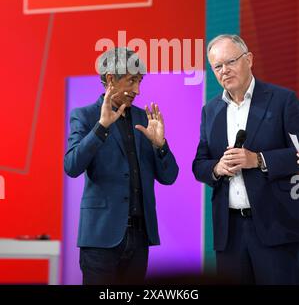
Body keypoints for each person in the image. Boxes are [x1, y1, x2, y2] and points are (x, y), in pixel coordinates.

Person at [64, 47, 178, 285]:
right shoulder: (84, 116)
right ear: (110, 79)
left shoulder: (144, 118)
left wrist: (160, 145)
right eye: (131, 81)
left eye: (140, 81)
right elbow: (72, 166)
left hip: (139, 238)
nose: (137, 90)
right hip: (100, 238)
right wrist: (101, 127)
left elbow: (169, 177)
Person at [192, 34, 299, 285]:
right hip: (229, 234)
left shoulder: (283, 100)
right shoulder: (211, 110)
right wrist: (217, 168)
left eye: (230, 61)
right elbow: (199, 164)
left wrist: (258, 160)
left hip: (276, 229)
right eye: (217, 66)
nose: (224, 70)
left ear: (249, 59)